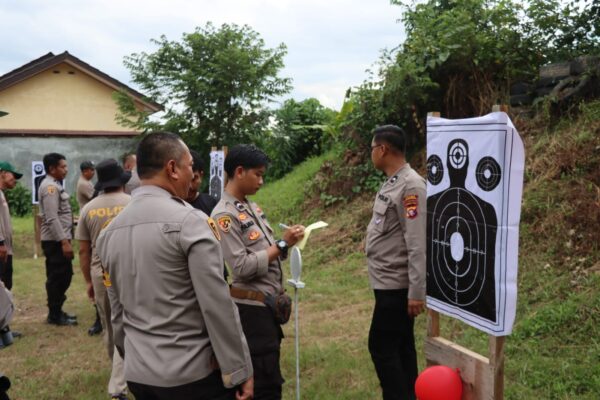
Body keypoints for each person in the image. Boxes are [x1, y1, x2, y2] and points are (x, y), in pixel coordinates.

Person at [97, 132, 254, 400]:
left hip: (139, 375)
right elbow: (216, 305)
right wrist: (238, 370)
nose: (193, 175)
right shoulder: (191, 222)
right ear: (172, 168)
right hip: (192, 375)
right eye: (190, 166)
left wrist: (131, 357)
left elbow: (116, 311)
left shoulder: (109, 232)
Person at [212, 144, 304, 400]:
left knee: (271, 374)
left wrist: (285, 245)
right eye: (258, 174)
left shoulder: (250, 207)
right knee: (264, 383)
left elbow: (266, 252)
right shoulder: (224, 215)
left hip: (267, 307)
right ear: (239, 171)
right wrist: (283, 244)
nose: (262, 181)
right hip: (252, 310)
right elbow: (241, 267)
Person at [365, 125, 426, 400]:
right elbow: (389, 228)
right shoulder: (393, 181)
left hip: (397, 286)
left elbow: (416, 241)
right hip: (386, 282)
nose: (371, 154)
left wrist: (415, 292)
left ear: (383, 149)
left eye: (372, 149)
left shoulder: (411, 185)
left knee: (381, 347)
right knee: (401, 347)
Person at [75, 159, 131, 400]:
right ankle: (120, 381)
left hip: (102, 274)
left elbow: (84, 251)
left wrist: (88, 281)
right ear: (121, 181)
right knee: (131, 323)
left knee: (110, 324)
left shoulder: (88, 209)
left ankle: (116, 371)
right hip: (130, 270)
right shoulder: (133, 203)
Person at [39, 153, 77, 326]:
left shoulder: (54, 185)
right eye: (63, 166)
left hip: (59, 238)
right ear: (52, 169)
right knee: (58, 276)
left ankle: (57, 310)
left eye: (66, 166)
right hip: (55, 241)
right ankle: (54, 315)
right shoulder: (50, 188)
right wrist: (64, 241)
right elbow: (52, 217)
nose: (66, 170)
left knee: (64, 275)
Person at [76, 160, 103, 336]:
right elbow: (96, 197)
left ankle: (101, 316)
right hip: (92, 227)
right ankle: (99, 317)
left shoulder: (86, 182)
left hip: (92, 227)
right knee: (99, 278)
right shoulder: (85, 185)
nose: (93, 172)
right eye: (91, 170)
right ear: (85, 171)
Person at [0, 162, 23, 340]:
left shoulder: (2, 194)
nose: (15, 180)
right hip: (1, 248)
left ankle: (4, 326)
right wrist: (0, 243)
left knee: (5, 286)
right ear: (2, 173)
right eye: (12, 175)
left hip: (5, 249)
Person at [186, 150, 218, 216]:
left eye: (194, 179)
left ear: (201, 175)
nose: (190, 186)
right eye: (186, 179)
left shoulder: (211, 203)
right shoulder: (171, 204)